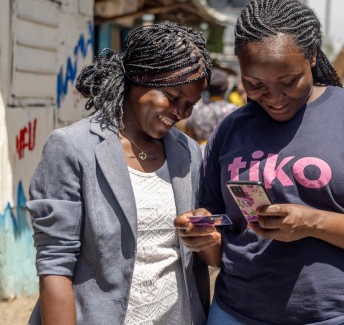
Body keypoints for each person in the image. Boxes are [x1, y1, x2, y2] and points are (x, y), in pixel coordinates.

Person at [175, 0, 344, 325]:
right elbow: (222, 249)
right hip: (236, 314)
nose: (273, 98)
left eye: (288, 82)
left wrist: (312, 222)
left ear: (313, 56)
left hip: (339, 316)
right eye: (255, 84)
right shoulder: (231, 129)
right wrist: (204, 237)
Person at [26, 23, 213, 325]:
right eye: (172, 97)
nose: (181, 112)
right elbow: (55, 266)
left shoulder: (187, 152)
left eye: (190, 104)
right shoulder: (74, 147)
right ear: (139, 77)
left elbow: (198, 263)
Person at [186, 67, 238, 145]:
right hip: (226, 151)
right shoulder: (233, 110)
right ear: (225, 88)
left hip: (201, 153)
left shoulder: (195, 110)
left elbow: (190, 136)